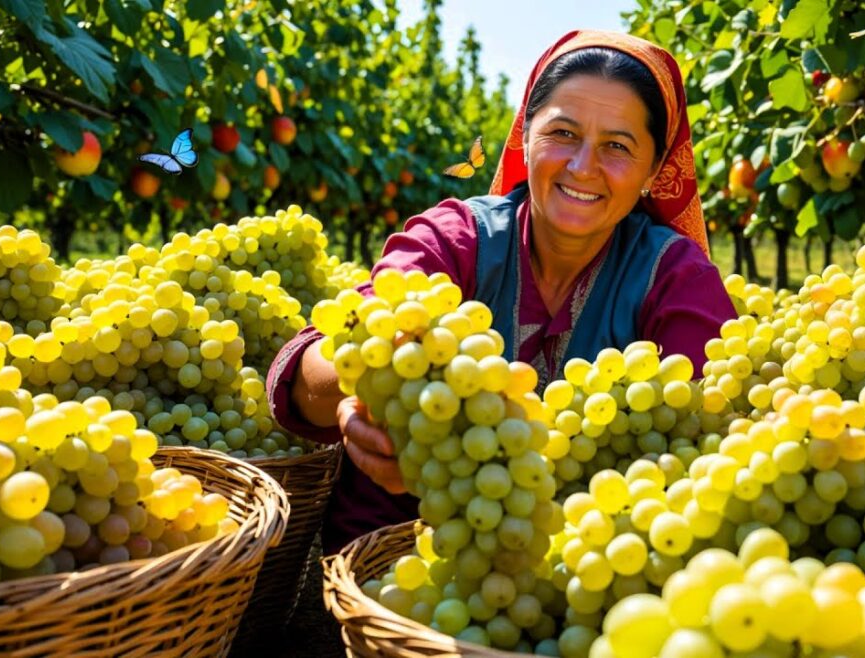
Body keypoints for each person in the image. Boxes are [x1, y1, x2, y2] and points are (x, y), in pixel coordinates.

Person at [267, 30, 737, 553]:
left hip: (579, 568)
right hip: (393, 569)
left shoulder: (675, 277)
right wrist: (357, 387)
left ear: (653, 170)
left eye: (618, 146)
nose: (583, 166)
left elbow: (708, 438)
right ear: (525, 137)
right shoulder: (453, 237)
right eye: (562, 133)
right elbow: (310, 369)